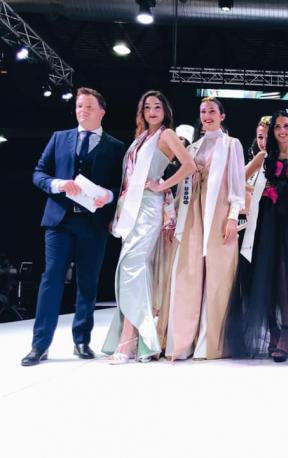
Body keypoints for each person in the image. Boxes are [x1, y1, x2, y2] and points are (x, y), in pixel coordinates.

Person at [22, 87, 125, 366]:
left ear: (102, 111)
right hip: (60, 221)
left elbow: (122, 185)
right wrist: (57, 184)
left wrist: (109, 195)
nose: (82, 111)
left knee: (87, 282)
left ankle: (82, 340)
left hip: (93, 223)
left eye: (89, 106)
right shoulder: (60, 138)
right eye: (79, 106)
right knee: (51, 279)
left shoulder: (115, 146)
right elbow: (38, 173)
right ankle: (39, 345)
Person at [101, 90, 195, 363]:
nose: (152, 111)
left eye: (157, 107)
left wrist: (162, 185)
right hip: (131, 209)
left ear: (165, 111)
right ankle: (140, 340)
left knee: (132, 268)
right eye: (147, 107)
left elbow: (189, 166)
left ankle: (128, 340)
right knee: (131, 271)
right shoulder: (140, 138)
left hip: (149, 210)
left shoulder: (167, 135)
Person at [161, 97, 245, 361]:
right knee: (190, 274)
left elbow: (237, 184)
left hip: (219, 214)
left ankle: (212, 343)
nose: (207, 116)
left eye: (212, 111)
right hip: (193, 215)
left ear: (222, 115)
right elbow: (183, 186)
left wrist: (232, 217)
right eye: (203, 111)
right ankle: (185, 342)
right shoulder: (193, 147)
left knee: (219, 277)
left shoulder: (231, 144)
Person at [230, 110, 288, 364]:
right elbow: (238, 178)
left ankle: (287, 331)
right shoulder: (264, 156)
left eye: (286, 126)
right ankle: (273, 331)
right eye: (277, 127)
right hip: (266, 220)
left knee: (286, 275)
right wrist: (255, 188)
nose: (282, 131)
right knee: (265, 274)